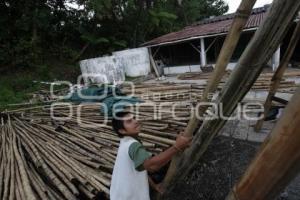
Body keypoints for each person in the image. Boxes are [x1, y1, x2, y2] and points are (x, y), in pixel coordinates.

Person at [109, 111, 192, 200]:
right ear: (122, 130)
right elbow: (151, 166)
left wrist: (154, 186)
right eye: (129, 121)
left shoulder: (124, 144)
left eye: (134, 118)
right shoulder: (132, 145)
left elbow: (140, 168)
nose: (135, 121)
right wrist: (176, 147)